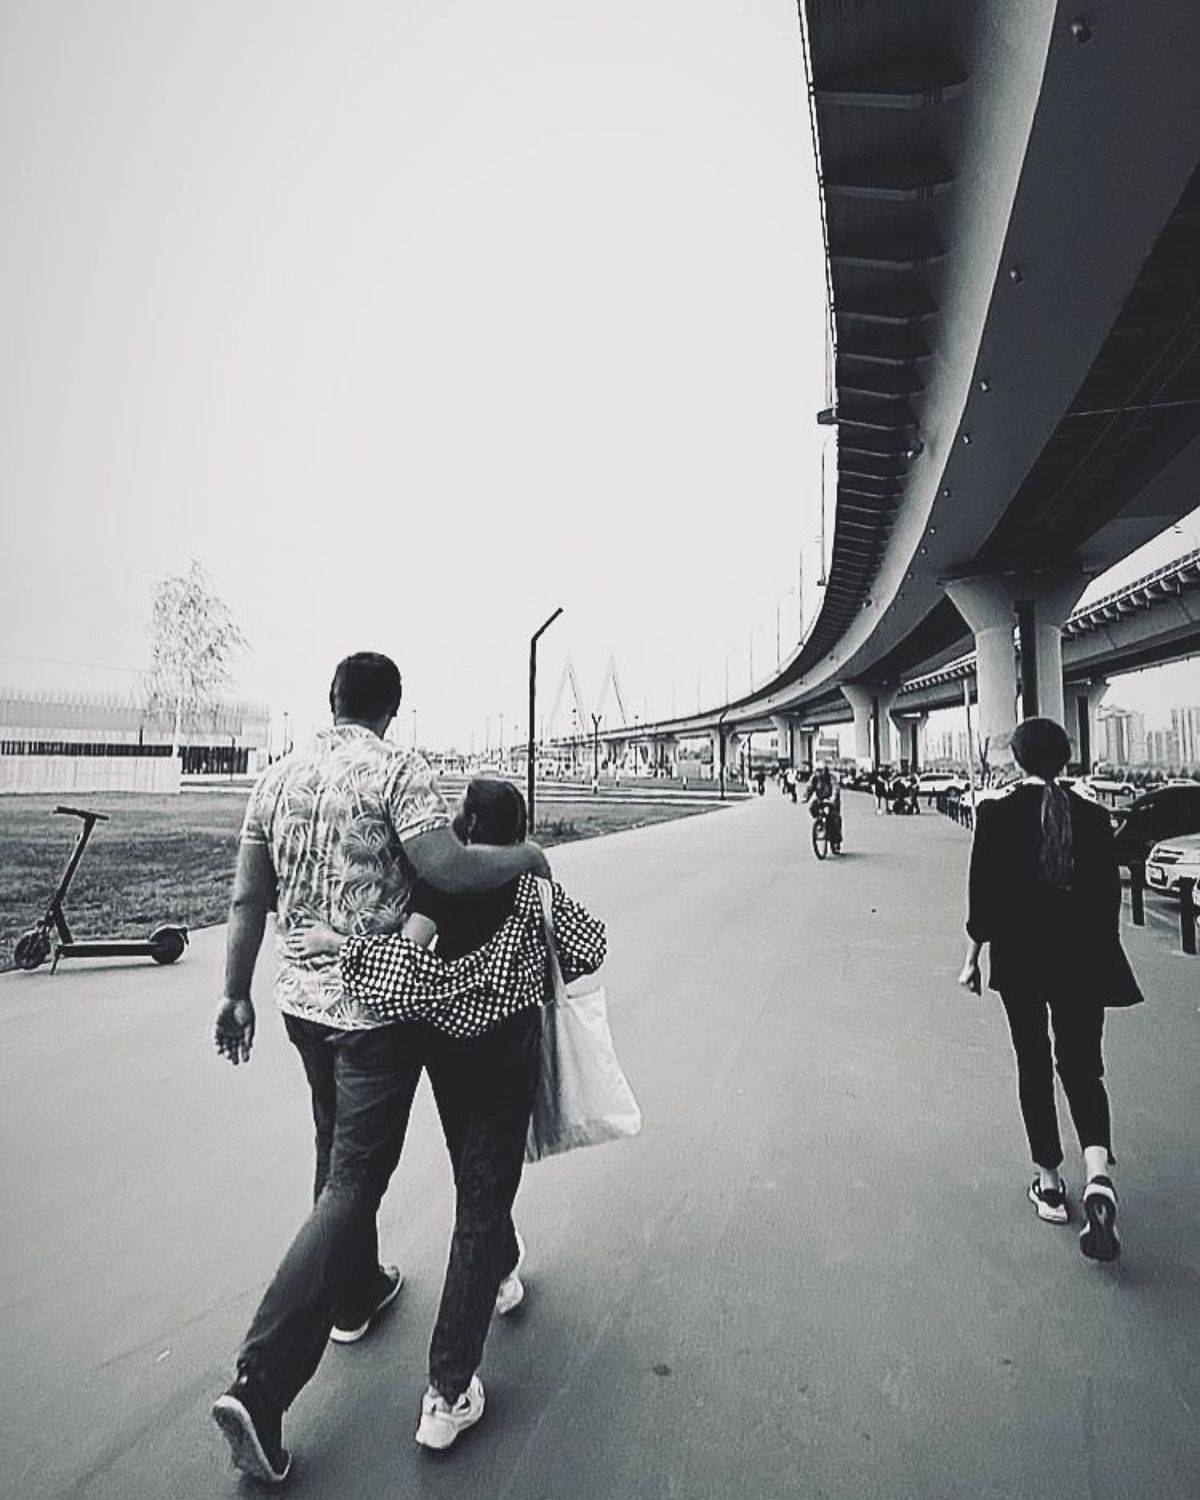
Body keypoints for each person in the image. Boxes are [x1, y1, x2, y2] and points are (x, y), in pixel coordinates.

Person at [210, 654, 552, 1486]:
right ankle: (260, 1384)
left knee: (334, 1155)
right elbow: (448, 867)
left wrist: (234, 993)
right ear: (391, 709)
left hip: (299, 1005)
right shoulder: (399, 770)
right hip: (371, 1014)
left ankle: (356, 1292)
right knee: (352, 1182)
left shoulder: (277, 777)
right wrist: (528, 856)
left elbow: (248, 897)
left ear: (331, 700)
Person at [299, 777, 606, 1453]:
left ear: (463, 830)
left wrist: (337, 943)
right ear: (516, 832)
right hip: (508, 1060)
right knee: (482, 1197)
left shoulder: (438, 892)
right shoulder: (530, 887)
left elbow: (403, 963)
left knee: (478, 1183)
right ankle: (447, 1392)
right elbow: (589, 948)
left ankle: (501, 1271)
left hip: (449, 1059)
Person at [958, 717, 1143, 1262]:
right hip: (1082, 963)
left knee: (1034, 1066)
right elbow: (1108, 901)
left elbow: (983, 897)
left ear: (1017, 759)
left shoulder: (995, 814)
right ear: (1064, 760)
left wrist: (971, 960)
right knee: (1083, 1069)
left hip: (1021, 962)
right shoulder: (1093, 816)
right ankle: (1098, 1174)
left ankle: (1050, 1184)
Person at [805, 764, 842, 850]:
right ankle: (819, 822)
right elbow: (809, 788)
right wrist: (805, 797)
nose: (818, 773)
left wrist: (832, 799)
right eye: (817, 771)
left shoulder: (831, 777)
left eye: (820, 771)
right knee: (812, 808)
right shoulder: (814, 778)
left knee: (834, 819)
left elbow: (835, 789)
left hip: (831, 801)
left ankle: (836, 840)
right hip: (820, 800)